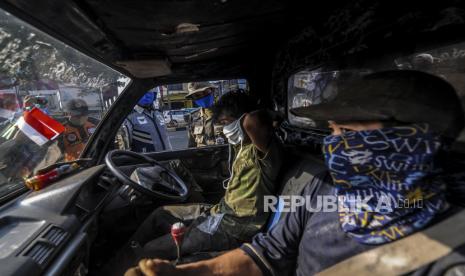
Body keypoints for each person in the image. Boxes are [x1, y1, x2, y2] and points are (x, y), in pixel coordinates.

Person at [127, 70, 465, 276]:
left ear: (415, 143)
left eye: (347, 133)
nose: (334, 145)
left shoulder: (451, 246)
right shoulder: (326, 195)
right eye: (332, 131)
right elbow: (265, 257)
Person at [108, 90, 283, 275]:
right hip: (220, 211)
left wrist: (272, 114)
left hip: (234, 226)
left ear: (243, 118)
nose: (225, 129)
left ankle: (126, 266)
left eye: (227, 122)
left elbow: (252, 122)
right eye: (222, 123)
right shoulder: (241, 144)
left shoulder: (264, 151)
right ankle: (117, 263)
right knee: (160, 214)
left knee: (151, 250)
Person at [185, 82, 226, 147]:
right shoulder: (193, 117)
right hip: (202, 156)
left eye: (205, 93)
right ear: (193, 99)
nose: (202, 97)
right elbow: (191, 145)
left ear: (212, 91)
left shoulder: (226, 112)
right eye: (197, 96)